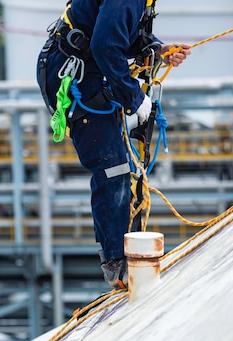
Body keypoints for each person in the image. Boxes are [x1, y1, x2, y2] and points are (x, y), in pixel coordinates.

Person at [37, 0, 191, 289]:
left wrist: (157, 49)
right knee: (114, 167)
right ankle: (118, 264)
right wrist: (134, 98)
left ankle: (124, 256)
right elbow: (106, 46)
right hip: (74, 73)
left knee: (125, 168)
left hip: (85, 67)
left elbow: (120, 33)